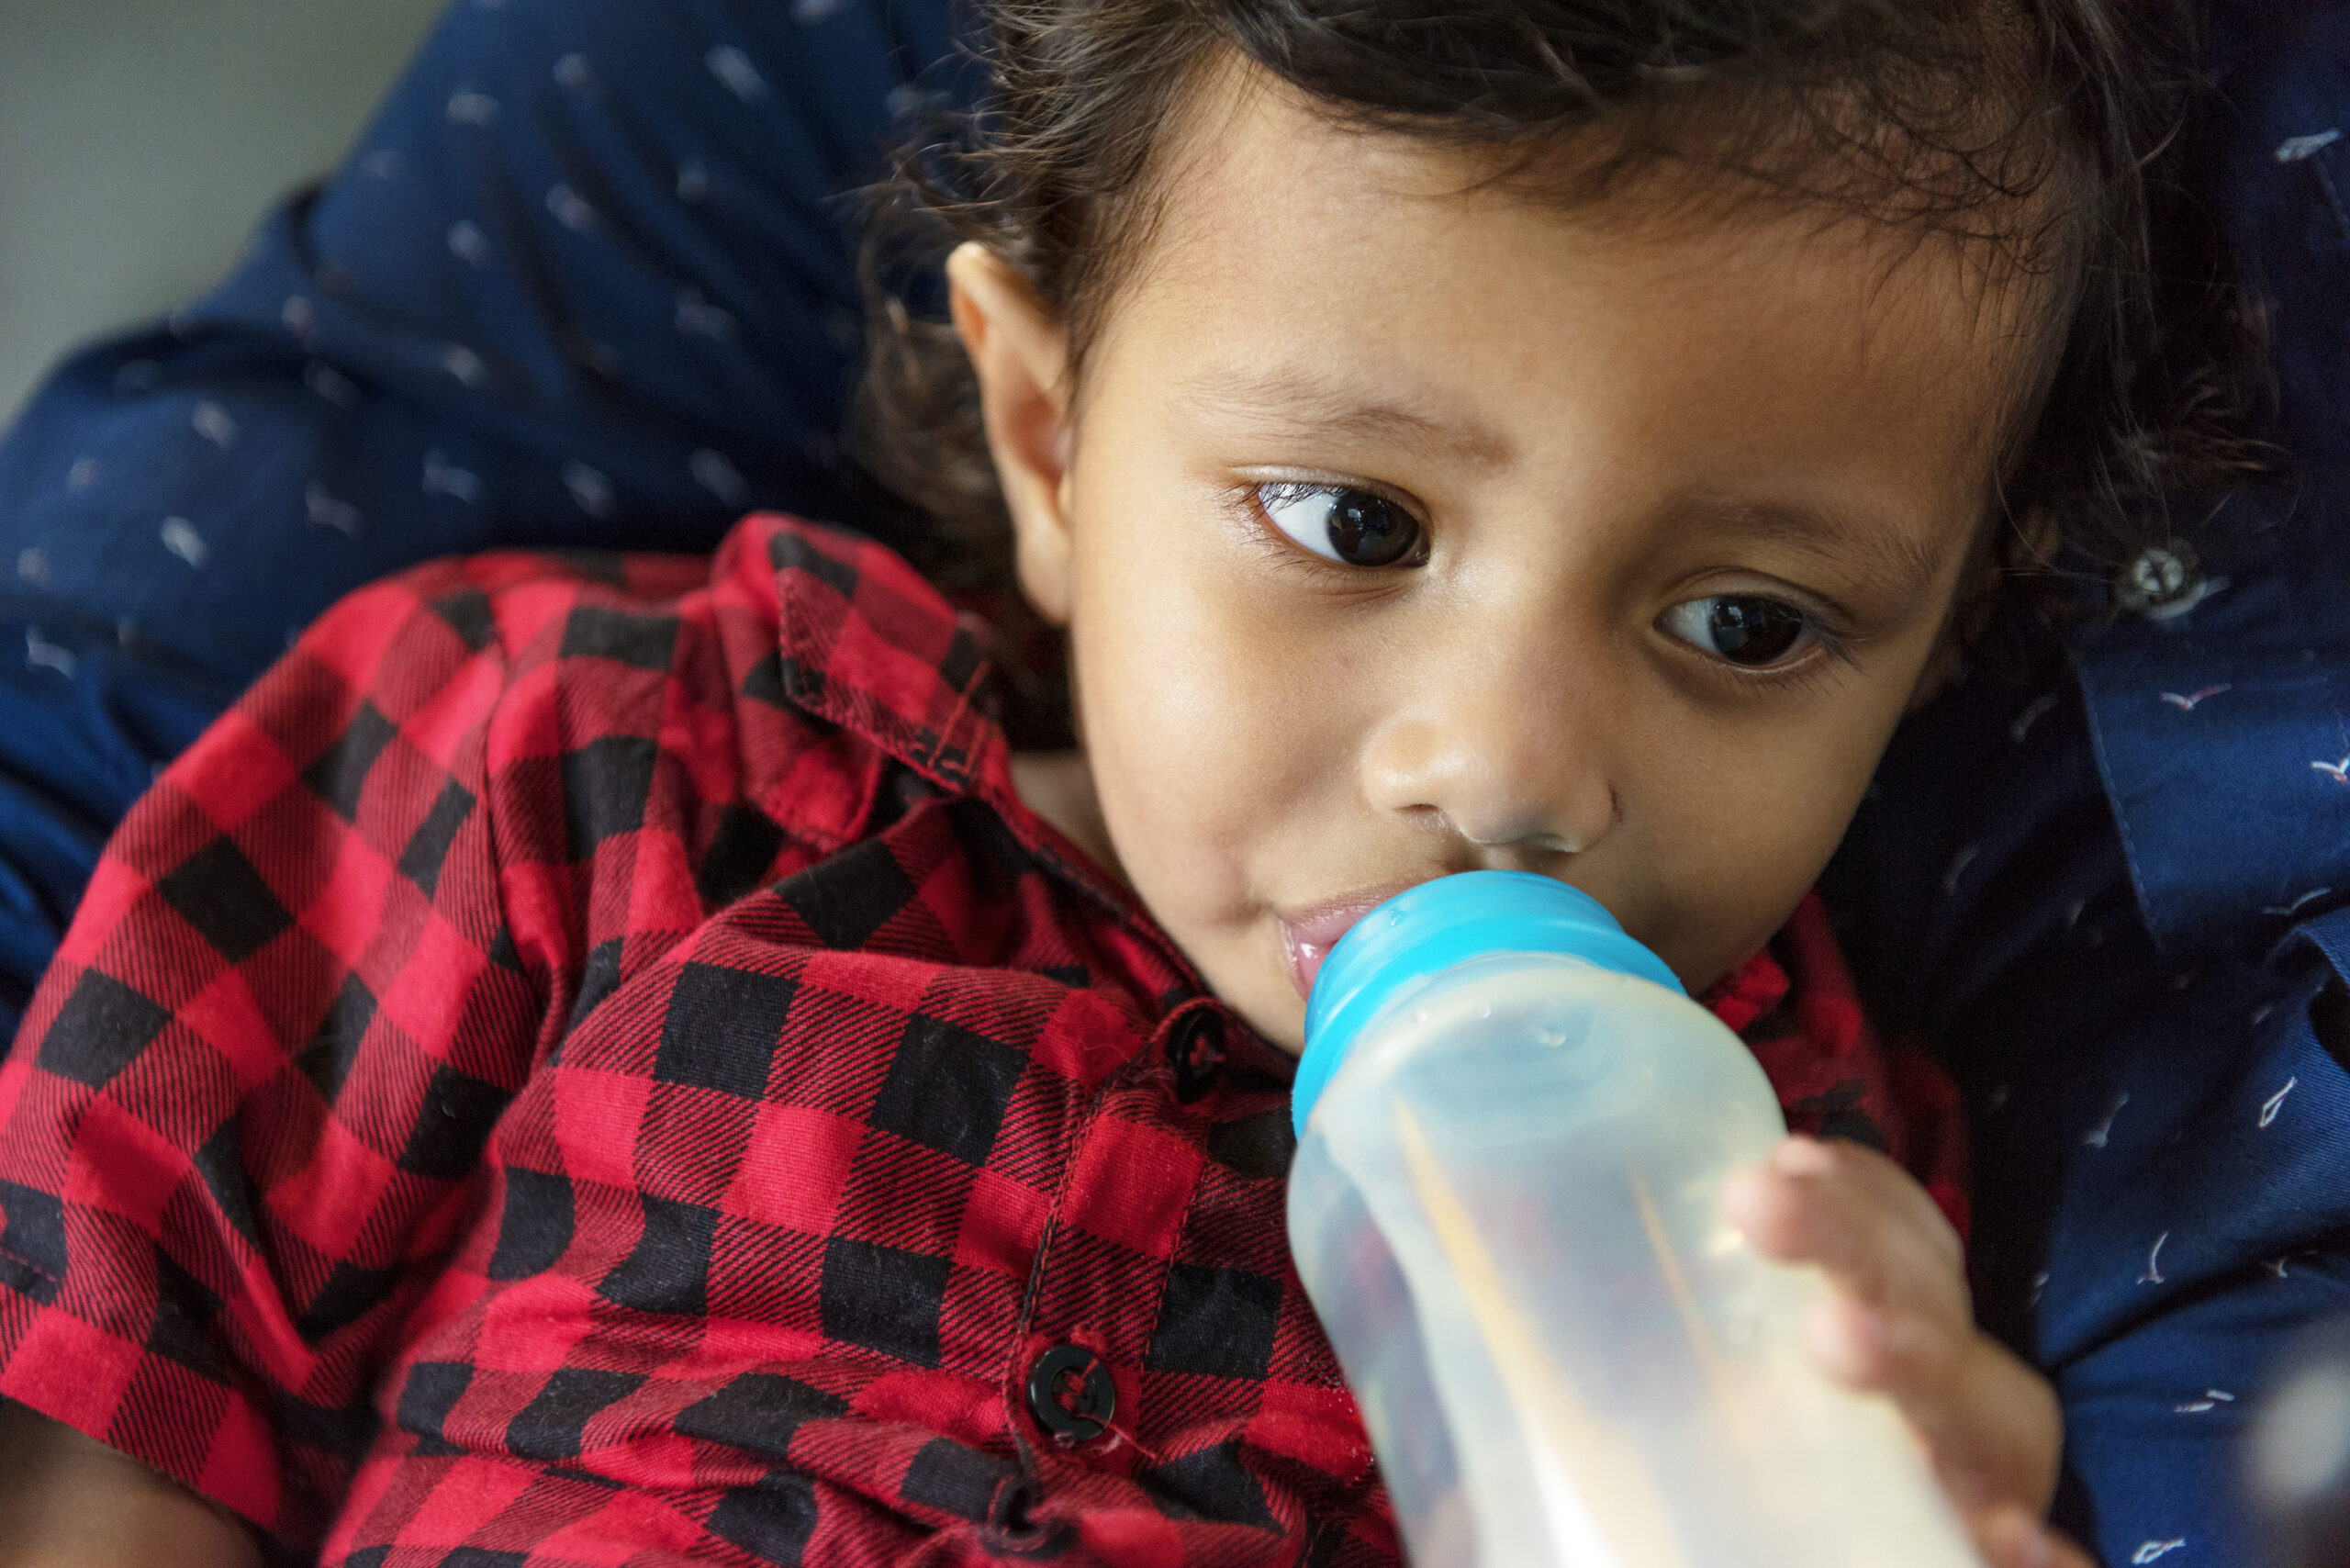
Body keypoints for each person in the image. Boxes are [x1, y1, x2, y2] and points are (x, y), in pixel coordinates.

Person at [0, 2, 2333, 1565]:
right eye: (1349, 523)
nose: (1506, 774)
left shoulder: (1796, 1206)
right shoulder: (591, 774)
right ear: (1044, 434)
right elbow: (118, 1357)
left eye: (1744, 623)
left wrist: (1910, 1483)